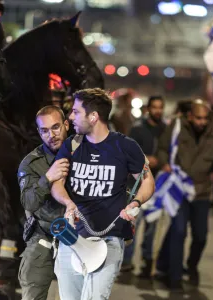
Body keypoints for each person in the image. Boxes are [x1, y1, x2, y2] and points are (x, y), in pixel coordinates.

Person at [51, 88, 155, 299]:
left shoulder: (125, 146)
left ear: (93, 116)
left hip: (110, 238)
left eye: (76, 112)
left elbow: (147, 180)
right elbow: (56, 183)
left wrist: (135, 203)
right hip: (72, 235)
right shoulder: (72, 145)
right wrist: (68, 203)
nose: (70, 117)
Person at [155, 99, 213, 290]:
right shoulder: (176, 126)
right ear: (190, 116)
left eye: (205, 119)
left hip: (201, 191)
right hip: (179, 188)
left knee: (200, 236)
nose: (201, 122)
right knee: (178, 231)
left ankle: (191, 266)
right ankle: (174, 277)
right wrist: (164, 163)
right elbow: (162, 149)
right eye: (198, 118)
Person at [17, 106, 70, 300]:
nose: (51, 135)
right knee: (32, 290)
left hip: (79, 236)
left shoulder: (85, 154)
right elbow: (28, 203)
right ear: (38, 132)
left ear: (66, 125)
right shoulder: (31, 163)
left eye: (56, 127)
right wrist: (47, 178)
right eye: (44, 130)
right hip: (44, 235)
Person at [121, 96, 166, 276]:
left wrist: (161, 161)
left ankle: (148, 262)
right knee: (134, 223)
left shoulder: (165, 129)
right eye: (154, 107)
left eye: (160, 107)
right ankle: (126, 262)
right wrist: (147, 160)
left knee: (153, 225)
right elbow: (130, 153)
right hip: (138, 184)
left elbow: (169, 151)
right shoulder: (138, 129)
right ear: (148, 109)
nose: (158, 111)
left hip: (159, 184)